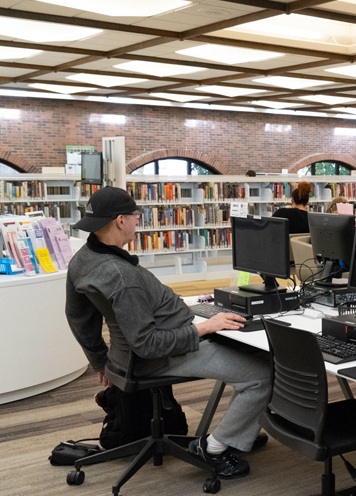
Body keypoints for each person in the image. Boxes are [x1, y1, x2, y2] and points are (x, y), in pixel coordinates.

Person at [65, 187, 271, 479]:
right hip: (164, 355)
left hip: (127, 356)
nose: (138, 222)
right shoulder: (122, 277)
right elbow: (148, 344)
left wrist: (101, 361)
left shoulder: (83, 259)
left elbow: (77, 317)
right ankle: (215, 448)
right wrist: (206, 326)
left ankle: (239, 432)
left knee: (247, 353)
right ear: (121, 220)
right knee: (263, 373)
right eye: (135, 216)